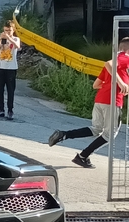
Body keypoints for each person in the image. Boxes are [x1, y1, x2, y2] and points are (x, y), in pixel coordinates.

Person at [47, 38, 129, 168]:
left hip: (100, 100)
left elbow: (96, 85)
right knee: (109, 135)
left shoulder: (118, 62)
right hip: (112, 101)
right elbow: (108, 64)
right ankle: (83, 156)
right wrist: (121, 83)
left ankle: (64, 135)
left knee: (96, 129)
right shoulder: (125, 58)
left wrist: (114, 84)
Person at [0, 20, 21, 121]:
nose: (7, 32)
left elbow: (18, 47)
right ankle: (1, 109)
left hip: (11, 68)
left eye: (9, 30)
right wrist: (1, 38)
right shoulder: (3, 39)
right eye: (5, 30)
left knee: (10, 90)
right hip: (0, 67)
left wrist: (9, 38)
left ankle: (10, 110)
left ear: (13, 30)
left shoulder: (16, 39)